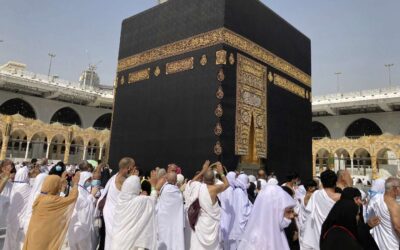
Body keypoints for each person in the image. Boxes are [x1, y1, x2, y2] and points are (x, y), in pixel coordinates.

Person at [23, 173, 81, 250]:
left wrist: (62, 182)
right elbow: (72, 198)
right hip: (44, 236)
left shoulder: (40, 196)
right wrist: (76, 184)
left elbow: (55, 195)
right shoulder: (52, 200)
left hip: (34, 232)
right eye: (58, 184)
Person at [238, 184, 296, 250]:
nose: (291, 216)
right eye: (288, 212)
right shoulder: (257, 239)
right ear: (274, 212)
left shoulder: (278, 231)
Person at [111, 172, 158, 250]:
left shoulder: (120, 199)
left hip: (117, 240)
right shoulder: (140, 201)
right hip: (130, 242)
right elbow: (153, 200)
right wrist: (153, 186)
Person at [98, 157, 135, 250]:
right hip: (115, 216)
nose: (134, 169)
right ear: (129, 168)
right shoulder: (124, 180)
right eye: (133, 167)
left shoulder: (115, 177)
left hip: (110, 213)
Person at [191, 162, 229, 250]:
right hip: (212, 223)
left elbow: (192, 182)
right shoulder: (215, 189)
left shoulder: (197, 186)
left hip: (202, 222)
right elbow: (227, 184)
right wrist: (221, 173)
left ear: (203, 178)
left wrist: (202, 171)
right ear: (213, 180)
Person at [302, 170, 340, 250]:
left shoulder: (316, 194)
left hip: (317, 236)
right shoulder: (341, 197)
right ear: (335, 182)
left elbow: (308, 212)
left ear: (322, 182)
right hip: (334, 236)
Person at [68, 171, 99, 250]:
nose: (90, 182)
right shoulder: (77, 191)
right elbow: (82, 205)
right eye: (89, 180)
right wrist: (92, 195)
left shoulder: (83, 189)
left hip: (86, 222)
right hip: (79, 223)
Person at [3, 166, 31, 250]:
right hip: (21, 222)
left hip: (11, 219)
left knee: (9, 242)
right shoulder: (27, 188)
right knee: (19, 243)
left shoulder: (14, 185)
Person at [156, 172, 185, 250]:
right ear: (176, 181)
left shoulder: (164, 190)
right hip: (176, 224)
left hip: (163, 222)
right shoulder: (179, 194)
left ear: (166, 179)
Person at [371, 177, 400, 249]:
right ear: (395, 189)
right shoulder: (393, 205)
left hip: (377, 243)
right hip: (391, 245)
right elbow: (397, 227)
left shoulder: (376, 198)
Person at [229, 174, 253, 249]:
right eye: (247, 181)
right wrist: (252, 208)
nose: (248, 184)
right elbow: (244, 211)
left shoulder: (236, 191)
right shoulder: (240, 193)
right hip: (240, 226)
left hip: (234, 225)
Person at [219, 171, 236, 249]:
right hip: (228, 213)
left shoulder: (225, 187)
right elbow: (230, 203)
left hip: (224, 212)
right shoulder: (230, 189)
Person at [0, 160, 14, 230]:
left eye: (12, 166)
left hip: (7, 207)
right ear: (2, 168)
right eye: (8, 166)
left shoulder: (11, 182)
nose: (11, 167)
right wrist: (5, 178)